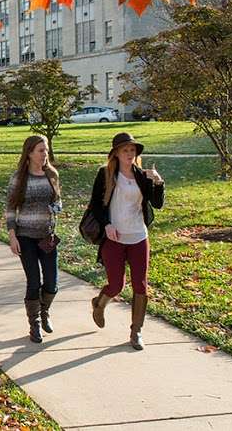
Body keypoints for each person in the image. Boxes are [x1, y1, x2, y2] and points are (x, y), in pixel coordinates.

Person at [88, 132, 165, 350]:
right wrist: (107, 225)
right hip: (115, 238)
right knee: (116, 285)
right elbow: (96, 205)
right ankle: (100, 302)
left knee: (141, 285)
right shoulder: (105, 174)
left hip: (138, 237)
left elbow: (157, 204)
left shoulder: (142, 175)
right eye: (125, 150)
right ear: (116, 154)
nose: (130, 154)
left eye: (132, 150)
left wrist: (158, 183)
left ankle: (136, 331)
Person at [6, 135, 63, 343]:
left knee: (51, 283)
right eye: (40, 150)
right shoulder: (19, 178)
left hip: (46, 237)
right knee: (33, 282)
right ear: (29, 153)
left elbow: (58, 200)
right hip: (26, 237)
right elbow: (11, 208)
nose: (45, 154)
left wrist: (57, 207)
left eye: (46, 150)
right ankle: (35, 323)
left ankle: (45, 311)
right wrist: (12, 236)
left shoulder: (52, 174)